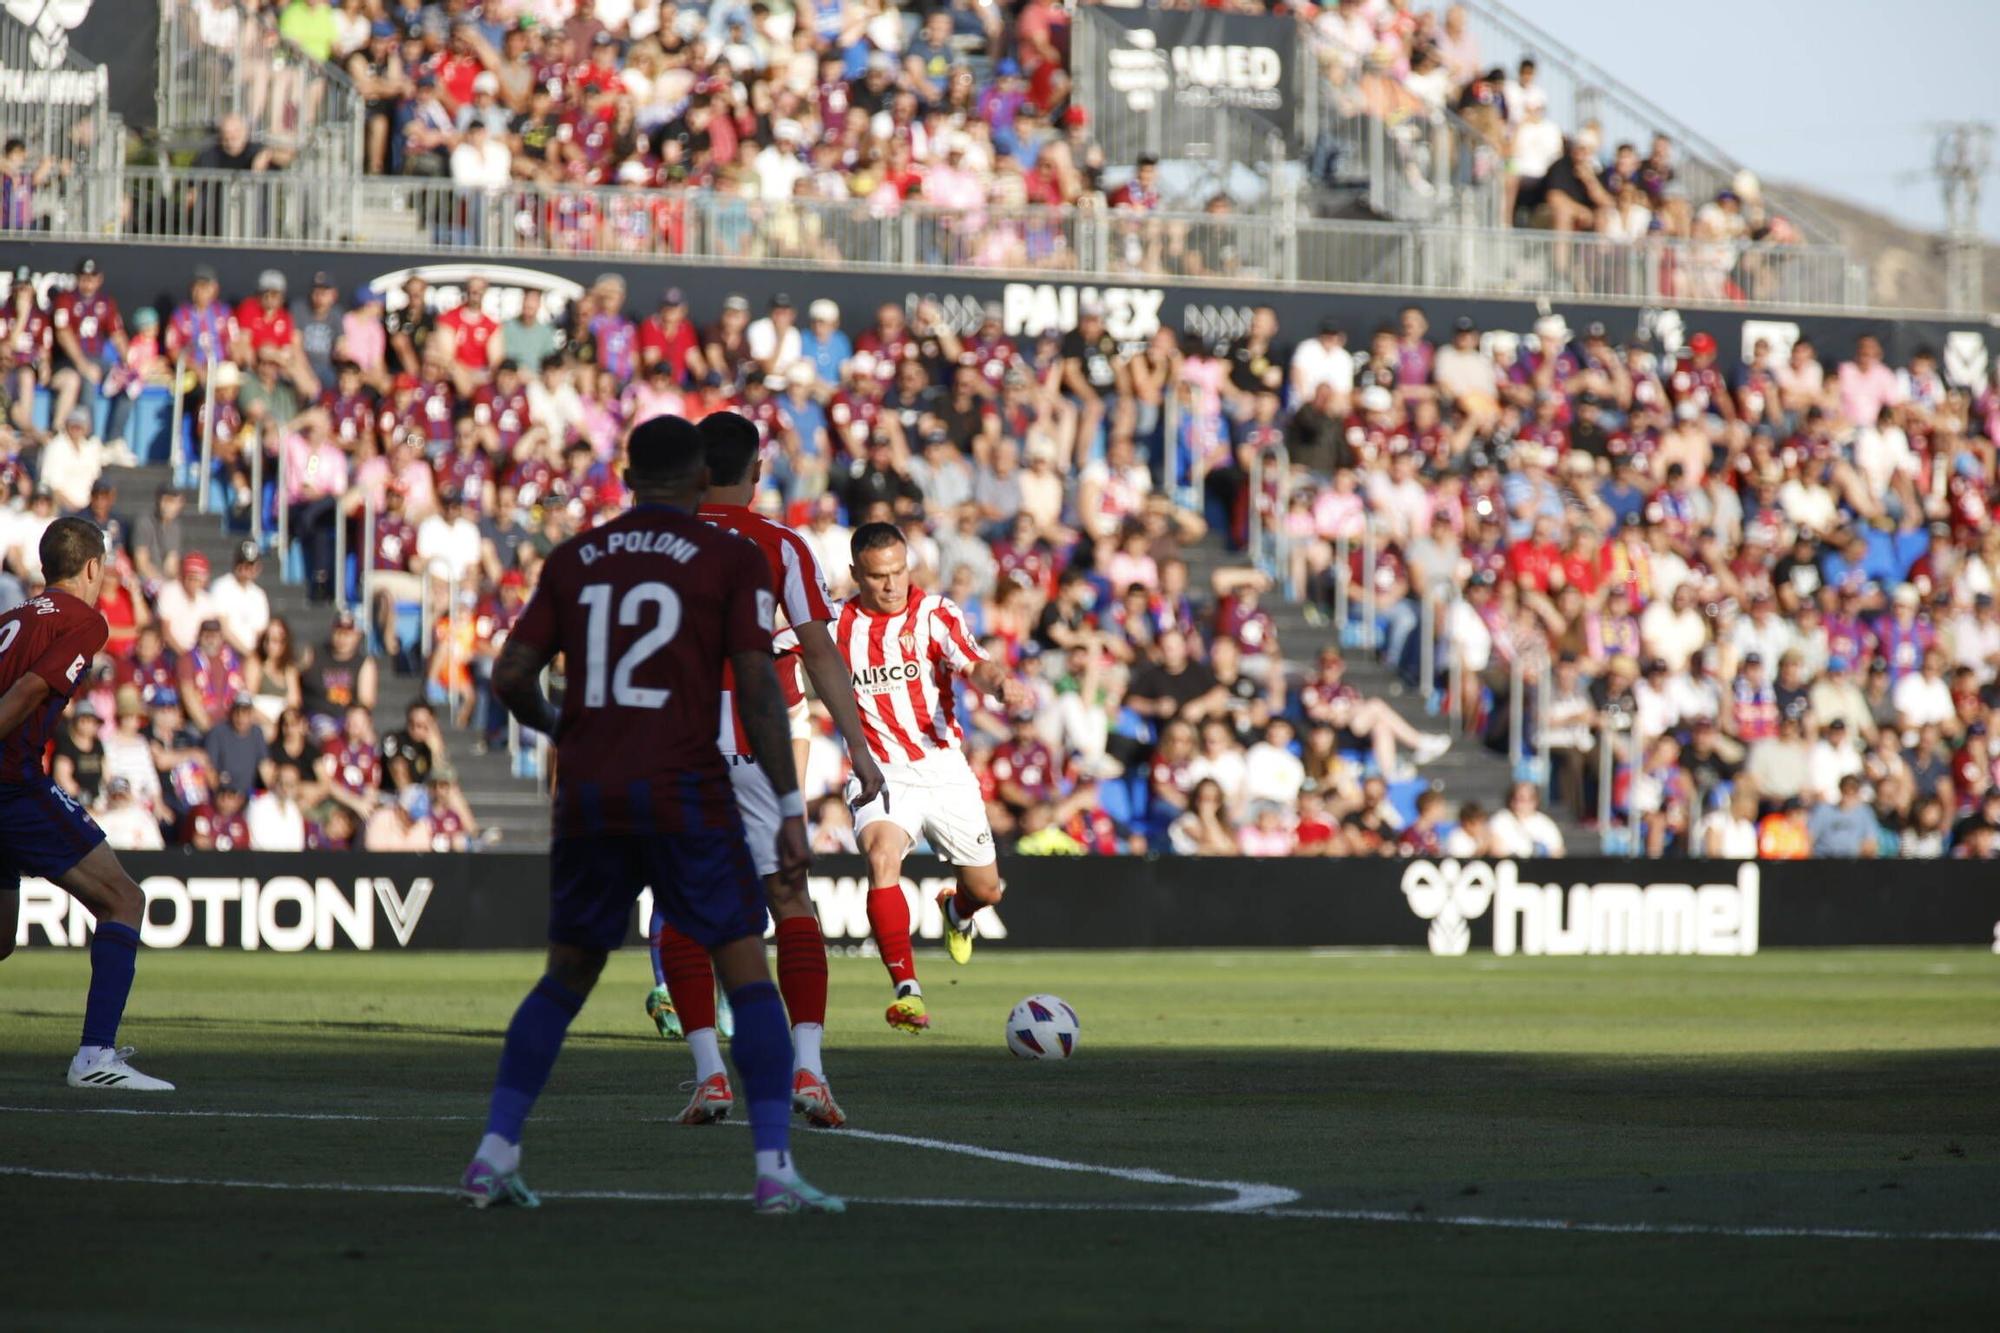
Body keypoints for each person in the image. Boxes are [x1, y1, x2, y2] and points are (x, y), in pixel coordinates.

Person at [469, 414, 841, 1214]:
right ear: (702, 477)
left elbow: (508, 676)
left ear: (628, 475)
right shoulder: (734, 556)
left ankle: (494, 1152)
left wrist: (564, 725)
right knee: (745, 961)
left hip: (594, 787)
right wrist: (786, 804)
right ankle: (774, 1169)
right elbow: (763, 692)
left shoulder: (575, 559)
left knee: (566, 973)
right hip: (684, 782)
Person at [646, 412, 885, 1130]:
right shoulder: (780, 544)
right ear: (754, 471)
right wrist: (860, 746)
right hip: (756, 732)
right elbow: (817, 653)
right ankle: (807, 1067)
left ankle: (709, 1077)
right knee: (789, 896)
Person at [832, 521, 1033, 1034]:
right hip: (881, 771)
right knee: (882, 855)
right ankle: (908, 991)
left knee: (987, 891)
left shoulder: (935, 613)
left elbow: (975, 664)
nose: (892, 584)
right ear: (857, 574)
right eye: (878, 576)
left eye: (899, 571)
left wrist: (1001, 683)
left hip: (943, 768)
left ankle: (957, 910)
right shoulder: (835, 624)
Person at [0, 518, 173, 1091]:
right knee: (124, 899)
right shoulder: (85, 620)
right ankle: (95, 1055)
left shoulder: (14, 617)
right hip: (12, 785)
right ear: (94, 567)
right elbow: (28, 693)